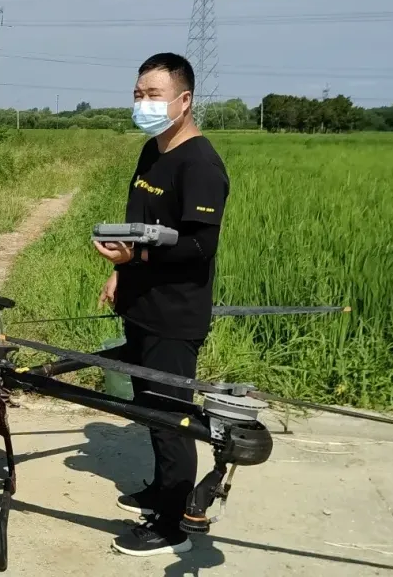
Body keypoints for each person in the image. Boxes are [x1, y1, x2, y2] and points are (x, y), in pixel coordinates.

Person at [93, 52, 230, 557]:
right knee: (150, 408)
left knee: (173, 420)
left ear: (184, 99)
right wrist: (120, 268)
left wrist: (139, 255)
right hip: (142, 302)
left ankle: (172, 524)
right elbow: (138, 224)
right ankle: (159, 491)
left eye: (153, 95)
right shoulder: (153, 151)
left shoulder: (201, 165)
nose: (143, 104)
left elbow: (199, 246)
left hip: (175, 313)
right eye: (138, 94)